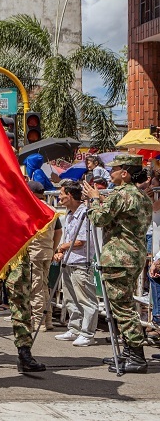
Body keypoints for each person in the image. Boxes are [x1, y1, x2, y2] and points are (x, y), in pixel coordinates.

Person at [83, 154, 152, 374]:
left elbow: (98, 219)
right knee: (125, 304)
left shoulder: (120, 194)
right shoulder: (141, 196)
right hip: (133, 256)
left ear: (125, 173)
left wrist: (94, 199)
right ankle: (128, 351)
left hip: (118, 257)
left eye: (114, 169)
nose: (110, 173)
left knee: (122, 307)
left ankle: (136, 355)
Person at [53, 181, 98, 346]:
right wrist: (61, 252)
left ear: (70, 195)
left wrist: (61, 247)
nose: (59, 197)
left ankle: (87, 333)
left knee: (86, 299)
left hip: (81, 262)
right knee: (70, 299)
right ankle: (75, 329)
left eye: (61, 194)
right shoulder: (70, 214)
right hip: (69, 261)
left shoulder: (84, 213)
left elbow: (81, 241)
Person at [25, 181, 62, 332]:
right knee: (44, 286)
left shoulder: (31, 208)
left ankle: (39, 321)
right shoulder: (51, 209)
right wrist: (53, 248)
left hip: (34, 252)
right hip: (47, 251)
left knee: (36, 288)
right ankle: (47, 320)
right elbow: (59, 231)